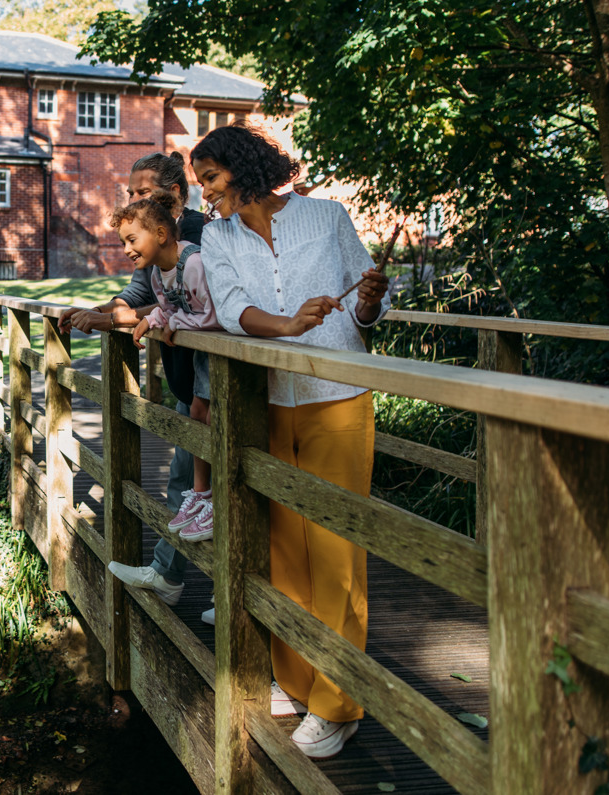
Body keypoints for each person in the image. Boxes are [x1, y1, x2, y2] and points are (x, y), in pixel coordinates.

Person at [191, 122, 389, 760]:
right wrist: (288, 324)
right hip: (268, 398)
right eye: (201, 185)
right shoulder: (217, 236)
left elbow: (366, 304)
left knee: (334, 553)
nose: (207, 196)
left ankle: (338, 703)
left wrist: (370, 301)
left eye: (212, 180)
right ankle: (297, 681)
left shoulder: (327, 217)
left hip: (339, 398)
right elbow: (230, 307)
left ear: (244, 169)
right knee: (285, 549)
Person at [57, 152, 208, 608]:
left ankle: (175, 576)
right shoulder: (148, 231)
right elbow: (141, 295)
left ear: (176, 194)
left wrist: (117, 320)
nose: (134, 199)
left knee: (201, 481)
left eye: (143, 191)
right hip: (189, 382)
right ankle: (175, 576)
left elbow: (186, 302)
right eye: (131, 192)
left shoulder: (199, 234)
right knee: (190, 481)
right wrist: (96, 312)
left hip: (212, 383)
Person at [123, 190, 221, 542]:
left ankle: (213, 499)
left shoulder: (194, 264)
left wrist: (177, 324)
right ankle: (201, 493)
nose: (126, 249)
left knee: (209, 417)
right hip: (202, 355)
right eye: (124, 242)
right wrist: (154, 320)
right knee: (197, 414)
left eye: (132, 239)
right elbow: (168, 305)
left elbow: (214, 313)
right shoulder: (155, 274)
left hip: (221, 353)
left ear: (161, 235)